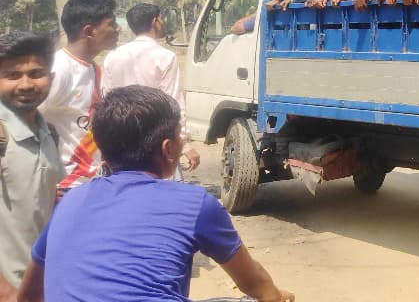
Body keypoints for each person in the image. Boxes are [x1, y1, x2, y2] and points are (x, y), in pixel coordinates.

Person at [17, 86, 294, 302]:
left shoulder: (70, 201)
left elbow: (29, 295)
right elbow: (254, 282)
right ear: (168, 149)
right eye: (179, 135)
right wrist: (277, 296)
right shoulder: (195, 204)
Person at [0, 32, 63, 298]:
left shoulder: (48, 132)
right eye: (12, 75)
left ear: (52, 77)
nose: (26, 84)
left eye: (36, 73)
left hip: (40, 282)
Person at [102, 4, 199, 173]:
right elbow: (174, 103)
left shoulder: (112, 57)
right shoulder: (165, 57)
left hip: (121, 139)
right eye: (161, 19)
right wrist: (184, 143)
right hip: (155, 140)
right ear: (155, 21)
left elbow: (106, 101)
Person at [38, 0, 119, 192]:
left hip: (89, 181)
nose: (118, 29)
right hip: (64, 186)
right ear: (89, 31)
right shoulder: (59, 69)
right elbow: (24, 123)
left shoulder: (93, 68)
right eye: (111, 24)